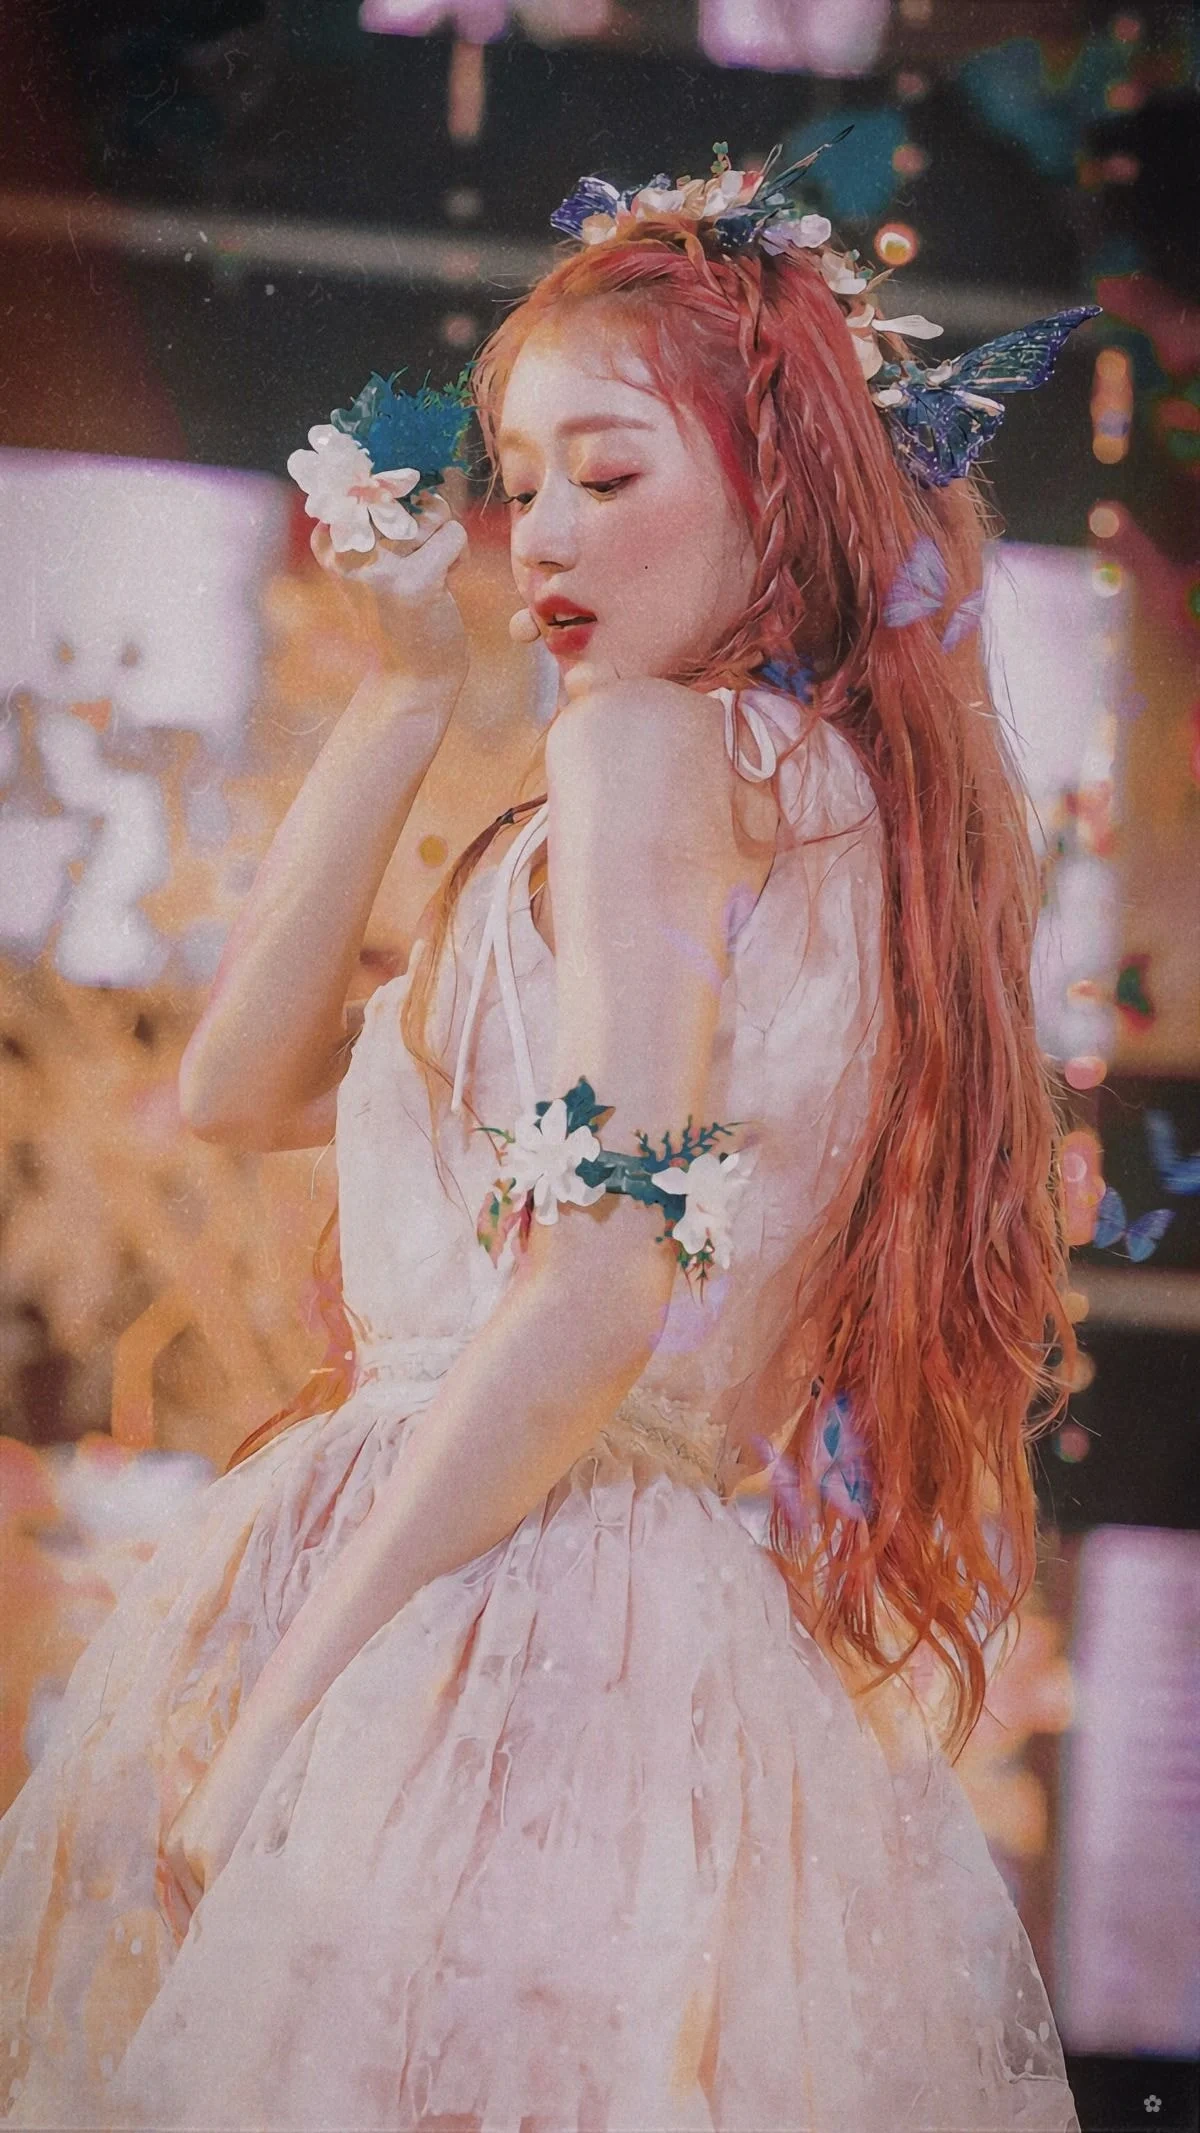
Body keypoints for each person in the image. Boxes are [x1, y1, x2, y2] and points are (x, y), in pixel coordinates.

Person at [0, 148, 1088, 2131]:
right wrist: (407, 691)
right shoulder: (842, 814)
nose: (542, 536)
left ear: (785, 495)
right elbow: (242, 1087)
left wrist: (282, 1709)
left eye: (609, 472)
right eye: (521, 479)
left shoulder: (650, 755)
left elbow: (597, 1290)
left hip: (487, 1602)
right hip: (625, 1617)